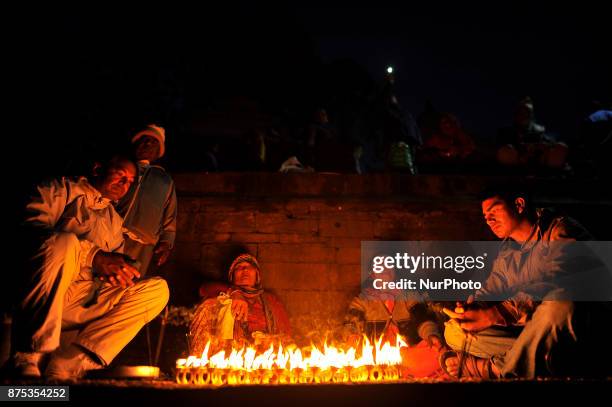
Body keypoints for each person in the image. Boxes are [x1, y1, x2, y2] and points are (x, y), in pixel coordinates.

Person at [12, 154, 169, 379]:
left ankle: (70, 363)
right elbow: (27, 234)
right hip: (42, 294)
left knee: (156, 290)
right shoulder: (57, 191)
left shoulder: (113, 221)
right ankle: (28, 355)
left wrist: (119, 273)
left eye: (130, 182)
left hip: (81, 300)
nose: (124, 185)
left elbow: (109, 268)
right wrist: (93, 257)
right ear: (97, 169)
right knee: (63, 242)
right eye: (120, 176)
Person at [440, 187, 611, 379]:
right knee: (454, 330)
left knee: (561, 304)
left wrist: (497, 313)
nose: (489, 220)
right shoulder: (509, 251)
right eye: (486, 216)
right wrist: (473, 308)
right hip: (538, 336)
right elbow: (492, 288)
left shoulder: (560, 230)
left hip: (583, 332)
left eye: (494, 211)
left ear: (519, 205)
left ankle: (493, 368)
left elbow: (557, 283)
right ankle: (538, 360)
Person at [344, 259, 444, 377]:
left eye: (389, 267)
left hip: (407, 355)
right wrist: (352, 337)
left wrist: (430, 334)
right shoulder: (363, 300)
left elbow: (423, 319)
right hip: (374, 357)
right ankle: (402, 373)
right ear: (372, 274)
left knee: (440, 353)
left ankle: (405, 372)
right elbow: (351, 324)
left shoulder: (408, 295)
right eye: (381, 267)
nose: (386, 270)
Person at [189, 254, 291, 355]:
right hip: (230, 358)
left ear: (257, 275)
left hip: (264, 359)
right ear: (232, 275)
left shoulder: (271, 300)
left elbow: (286, 335)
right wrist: (233, 292)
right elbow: (203, 289)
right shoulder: (223, 295)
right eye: (239, 267)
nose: (245, 270)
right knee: (210, 304)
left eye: (250, 267)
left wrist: (268, 340)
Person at [116, 124, 177, 277]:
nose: (148, 144)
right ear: (135, 144)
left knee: (129, 282)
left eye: (154, 142)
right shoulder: (120, 169)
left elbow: (170, 216)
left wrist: (166, 242)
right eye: (144, 139)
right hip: (110, 233)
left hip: (142, 244)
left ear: (159, 153)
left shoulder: (164, 181)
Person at [496, 97, 569, 170]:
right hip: (516, 163)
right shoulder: (506, 132)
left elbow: (549, 143)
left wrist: (545, 146)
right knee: (505, 151)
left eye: (527, 112)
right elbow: (501, 148)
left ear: (531, 115)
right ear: (516, 114)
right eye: (521, 112)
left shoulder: (539, 131)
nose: (523, 115)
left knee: (561, 147)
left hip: (537, 162)